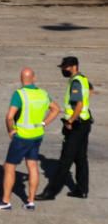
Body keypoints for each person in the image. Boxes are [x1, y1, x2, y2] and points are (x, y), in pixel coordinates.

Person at [0, 68, 60, 211]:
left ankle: (5, 201)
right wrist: (44, 123)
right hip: (37, 135)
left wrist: (11, 130)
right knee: (32, 166)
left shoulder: (19, 94)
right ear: (34, 78)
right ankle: (30, 201)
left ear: (21, 79)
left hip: (22, 136)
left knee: (9, 167)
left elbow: (9, 116)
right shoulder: (43, 94)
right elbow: (56, 109)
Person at [36, 56, 93, 201]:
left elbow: (79, 104)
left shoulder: (75, 82)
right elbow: (90, 90)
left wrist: (71, 120)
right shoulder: (83, 78)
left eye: (65, 67)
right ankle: (82, 190)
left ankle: (50, 192)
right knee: (80, 158)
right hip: (85, 122)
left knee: (65, 160)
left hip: (76, 125)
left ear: (74, 66)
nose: (63, 70)